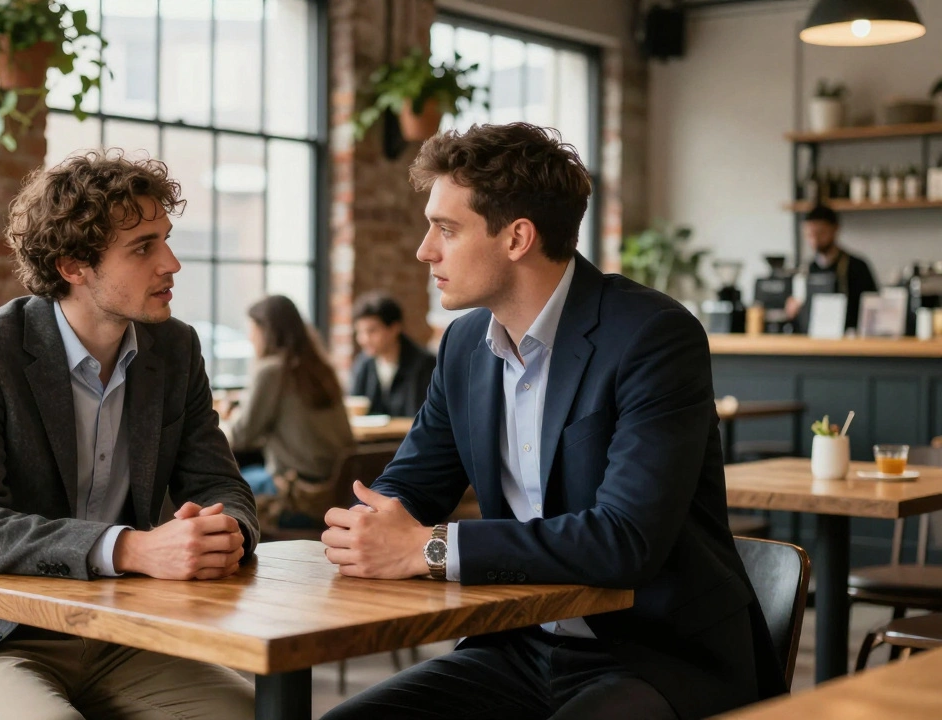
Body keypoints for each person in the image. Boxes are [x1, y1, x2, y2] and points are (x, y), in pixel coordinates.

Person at [319, 123, 785, 720]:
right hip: (517, 645)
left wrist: (431, 548)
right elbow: (410, 487)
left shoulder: (653, 336)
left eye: (447, 229)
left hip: (657, 653)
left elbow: (626, 540)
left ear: (518, 237)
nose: (424, 250)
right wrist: (367, 526)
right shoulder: (462, 347)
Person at [0, 150, 258, 720]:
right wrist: (132, 548)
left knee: (254, 712)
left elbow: (221, 485)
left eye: (166, 240)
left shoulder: (175, 349)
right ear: (74, 266)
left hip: (121, 629)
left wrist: (225, 532)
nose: (171, 263)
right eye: (143, 248)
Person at [223, 295, 355, 526]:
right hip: (335, 494)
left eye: (252, 329)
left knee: (219, 486)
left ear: (266, 331)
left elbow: (242, 436)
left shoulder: (271, 371)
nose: (250, 337)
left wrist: (226, 417)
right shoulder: (321, 368)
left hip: (296, 495)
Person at [785, 204, 878, 331]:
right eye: (810, 234)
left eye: (820, 232)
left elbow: (873, 310)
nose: (815, 239)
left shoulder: (857, 267)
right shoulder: (805, 270)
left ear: (835, 229)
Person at [349, 292, 436, 417]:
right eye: (359, 332)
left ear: (394, 328)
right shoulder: (363, 363)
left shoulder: (425, 364)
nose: (364, 339)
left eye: (372, 331)